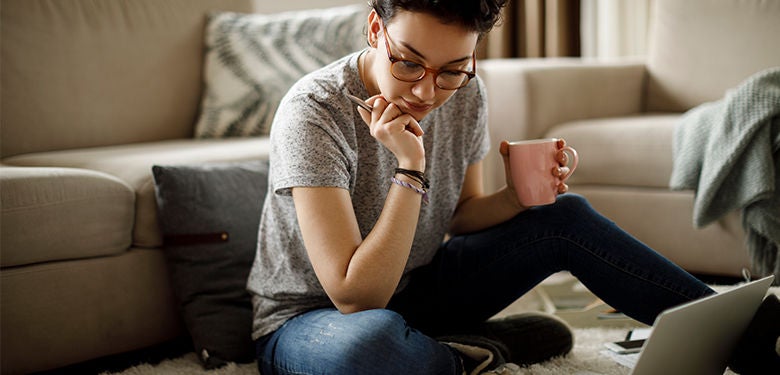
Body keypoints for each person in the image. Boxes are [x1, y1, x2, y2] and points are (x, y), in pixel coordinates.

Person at [246, 1, 774, 374]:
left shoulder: (465, 93)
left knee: (564, 215)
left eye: (453, 69)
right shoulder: (314, 112)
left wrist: (518, 199)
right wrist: (411, 168)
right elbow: (356, 296)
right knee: (370, 352)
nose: (428, 91)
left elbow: (461, 215)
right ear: (374, 29)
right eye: (409, 63)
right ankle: (474, 351)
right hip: (315, 320)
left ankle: (754, 333)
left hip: (420, 289)